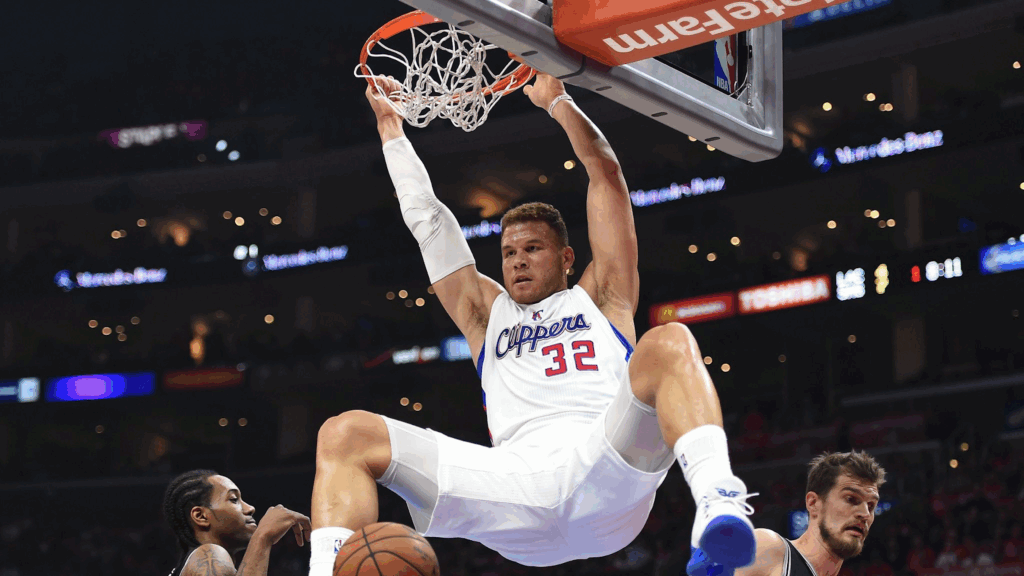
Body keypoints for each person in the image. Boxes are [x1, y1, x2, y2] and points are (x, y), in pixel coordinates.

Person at [308, 72, 755, 576]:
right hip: (511, 484)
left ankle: (718, 504)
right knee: (344, 433)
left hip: (604, 466)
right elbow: (427, 219)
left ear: (566, 258)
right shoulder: (485, 314)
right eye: (509, 253)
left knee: (669, 340)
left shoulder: (603, 295)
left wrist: (559, 102)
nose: (518, 260)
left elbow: (606, 175)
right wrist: (390, 126)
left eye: (533, 248)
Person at [736, 452, 887, 576]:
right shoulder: (768, 549)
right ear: (813, 503)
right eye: (851, 499)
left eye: (871, 506)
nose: (865, 514)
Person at [164, 469, 312, 576]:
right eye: (234, 500)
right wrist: (262, 537)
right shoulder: (210, 555)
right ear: (201, 516)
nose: (250, 508)